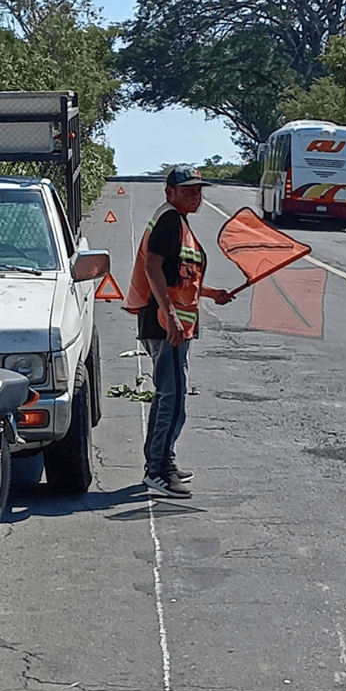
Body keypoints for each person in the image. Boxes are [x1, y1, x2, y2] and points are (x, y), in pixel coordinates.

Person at [124, 166, 234, 499]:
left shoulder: (177, 222)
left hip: (171, 324)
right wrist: (170, 315)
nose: (195, 196)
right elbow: (153, 265)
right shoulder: (170, 220)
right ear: (169, 192)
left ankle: (162, 461)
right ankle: (158, 470)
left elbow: (178, 277)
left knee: (170, 397)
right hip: (165, 325)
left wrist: (212, 293)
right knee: (172, 399)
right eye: (187, 191)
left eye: (198, 191)